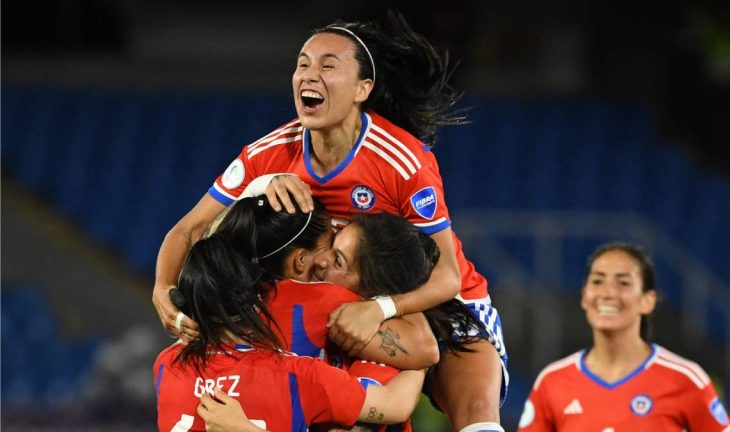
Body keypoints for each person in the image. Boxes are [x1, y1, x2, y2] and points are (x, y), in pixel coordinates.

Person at [152, 12, 508, 432]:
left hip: (423, 299)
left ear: (363, 88)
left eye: (327, 65)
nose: (309, 74)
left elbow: (447, 275)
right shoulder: (267, 156)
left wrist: (379, 309)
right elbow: (188, 230)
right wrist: (162, 289)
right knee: (348, 418)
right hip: (331, 302)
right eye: (302, 63)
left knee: (478, 419)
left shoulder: (402, 160)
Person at [199, 196, 483, 432]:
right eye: (332, 246)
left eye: (337, 260)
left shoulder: (374, 351)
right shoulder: (292, 306)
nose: (322, 263)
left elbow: (424, 354)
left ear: (372, 291)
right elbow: (424, 354)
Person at [154, 234, 426, 432]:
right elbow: (397, 405)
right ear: (256, 298)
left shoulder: (166, 366)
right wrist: (420, 363)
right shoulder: (300, 376)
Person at [516, 242, 730, 432]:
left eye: (623, 282)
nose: (608, 293)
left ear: (648, 301)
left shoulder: (686, 379)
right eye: (597, 281)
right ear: (584, 296)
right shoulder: (552, 381)